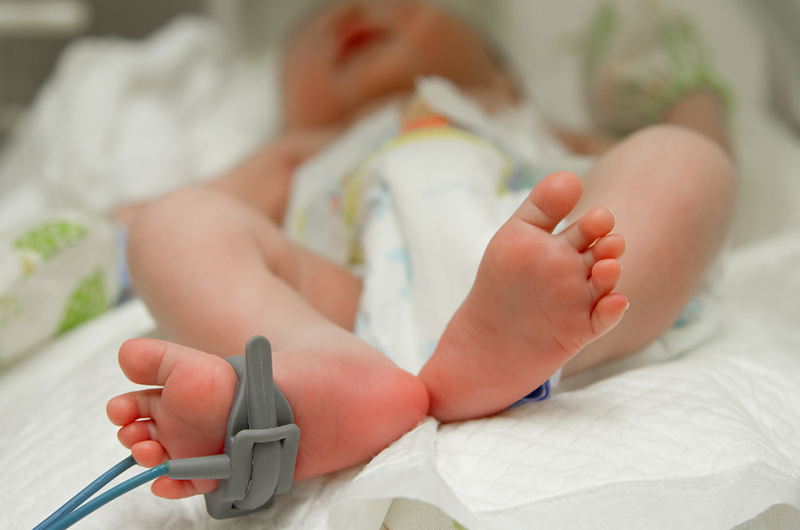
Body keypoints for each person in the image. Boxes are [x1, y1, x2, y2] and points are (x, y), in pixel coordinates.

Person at [106, 0, 735, 500]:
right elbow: (171, 217)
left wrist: (685, 100)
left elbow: (652, 166)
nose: (345, 14)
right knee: (173, 220)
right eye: (308, 34)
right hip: (354, 301)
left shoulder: (509, 111)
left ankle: (524, 342)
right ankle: (314, 363)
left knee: (678, 158)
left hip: (543, 257)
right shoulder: (301, 149)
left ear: (502, 71)